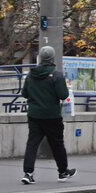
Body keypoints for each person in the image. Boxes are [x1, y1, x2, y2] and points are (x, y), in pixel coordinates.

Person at [20, 46, 75, 184]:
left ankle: (28, 173)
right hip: (52, 115)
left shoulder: (31, 75)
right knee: (57, 144)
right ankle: (62, 172)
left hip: (34, 115)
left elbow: (24, 94)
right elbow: (63, 95)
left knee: (32, 144)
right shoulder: (56, 75)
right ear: (52, 58)